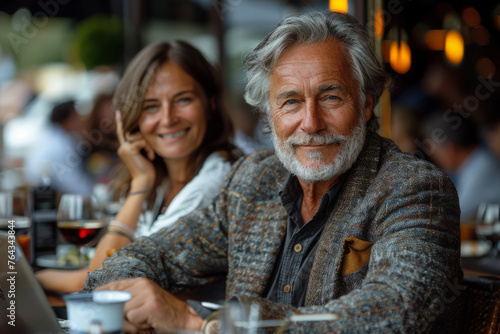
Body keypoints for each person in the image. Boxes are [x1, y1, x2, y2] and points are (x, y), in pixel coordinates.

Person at [84, 11, 463, 333]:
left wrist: (200, 322)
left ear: (365, 104)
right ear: (268, 114)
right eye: (291, 101)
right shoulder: (254, 180)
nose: (310, 123)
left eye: (331, 97)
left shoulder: (414, 189)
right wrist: (129, 296)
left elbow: (398, 311)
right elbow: (135, 260)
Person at [35, 41, 239, 293]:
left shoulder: (213, 184)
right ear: (132, 119)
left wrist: (25, 278)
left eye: (183, 100)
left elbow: (103, 278)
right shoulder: (163, 181)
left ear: (210, 105)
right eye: (151, 106)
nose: (167, 119)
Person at [422, 112, 500, 221]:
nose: (434, 158)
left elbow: (453, 216)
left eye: (435, 152)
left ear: (450, 150)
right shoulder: (476, 163)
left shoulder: (481, 167)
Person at [24, 100, 94, 195]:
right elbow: (78, 188)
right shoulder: (60, 146)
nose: (81, 120)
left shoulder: (49, 139)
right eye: (76, 116)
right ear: (66, 120)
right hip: (49, 201)